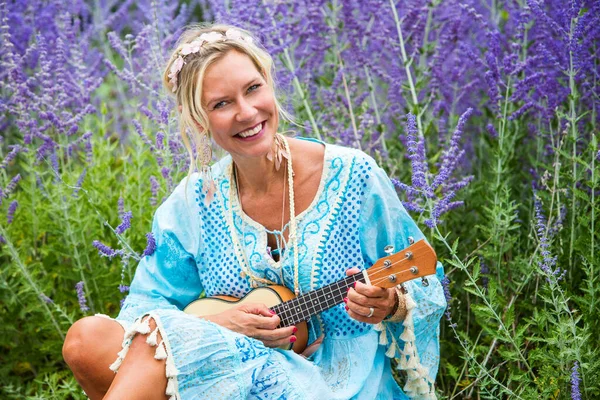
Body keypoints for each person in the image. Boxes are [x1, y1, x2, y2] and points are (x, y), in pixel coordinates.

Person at [62, 23, 446, 400]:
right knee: (86, 340)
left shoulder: (353, 176)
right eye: (222, 103)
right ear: (199, 119)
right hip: (226, 375)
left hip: (334, 380)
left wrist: (393, 304)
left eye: (252, 89)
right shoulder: (193, 202)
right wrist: (222, 323)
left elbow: (426, 278)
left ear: (268, 82)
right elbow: (145, 305)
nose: (247, 113)